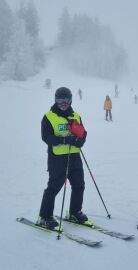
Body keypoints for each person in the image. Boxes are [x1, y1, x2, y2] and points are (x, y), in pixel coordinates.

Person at [37, 87, 92, 230]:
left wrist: (81, 141)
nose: (63, 103)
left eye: (65, 100)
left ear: (70, 100)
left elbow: (83, 133)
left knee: (79, 185)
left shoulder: (75, 115)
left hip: (74, 156)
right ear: (55, 100)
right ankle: (45, 216)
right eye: (60, 100)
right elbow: (46, 137)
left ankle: (74, 212)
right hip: (57, 158)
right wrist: (65, 140)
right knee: (54, 187)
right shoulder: (49, 117)